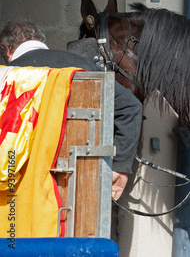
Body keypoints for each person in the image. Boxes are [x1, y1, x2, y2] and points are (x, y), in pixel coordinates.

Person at [0, 21, 142, 200]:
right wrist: (120, 166)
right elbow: (131, 106)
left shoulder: (7, 73)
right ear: (40, 39)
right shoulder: (82, 64)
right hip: (80, 183)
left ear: (5, 48)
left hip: (21, 185)